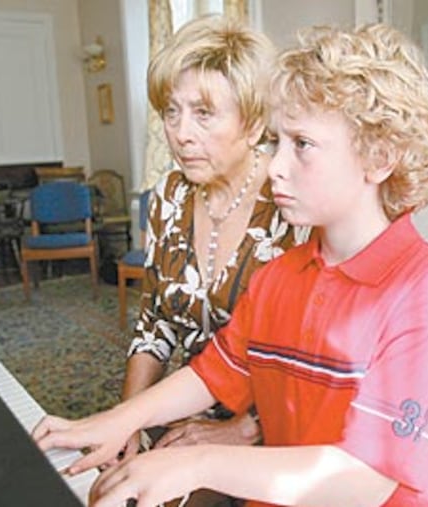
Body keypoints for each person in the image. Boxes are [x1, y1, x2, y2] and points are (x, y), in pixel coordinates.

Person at [34, 22, 428, 507]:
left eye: (301, 144)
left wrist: (196, 462)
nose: (276, 165)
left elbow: (364, 478)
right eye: (277, 142)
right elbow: (213, 373)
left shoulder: (426, 293)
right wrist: (119, 420)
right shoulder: (280, 277)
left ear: (379, 158)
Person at [119, 14, 307, 502]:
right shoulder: (166, 198)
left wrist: (242, 431)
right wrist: (128, 425)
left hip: (272, 425)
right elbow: (155, 325)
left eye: (204, 113)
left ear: (253, 121)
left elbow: (314, 358)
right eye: (171, 111)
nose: (180, 133)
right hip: (182, 409)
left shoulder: (297, 202)